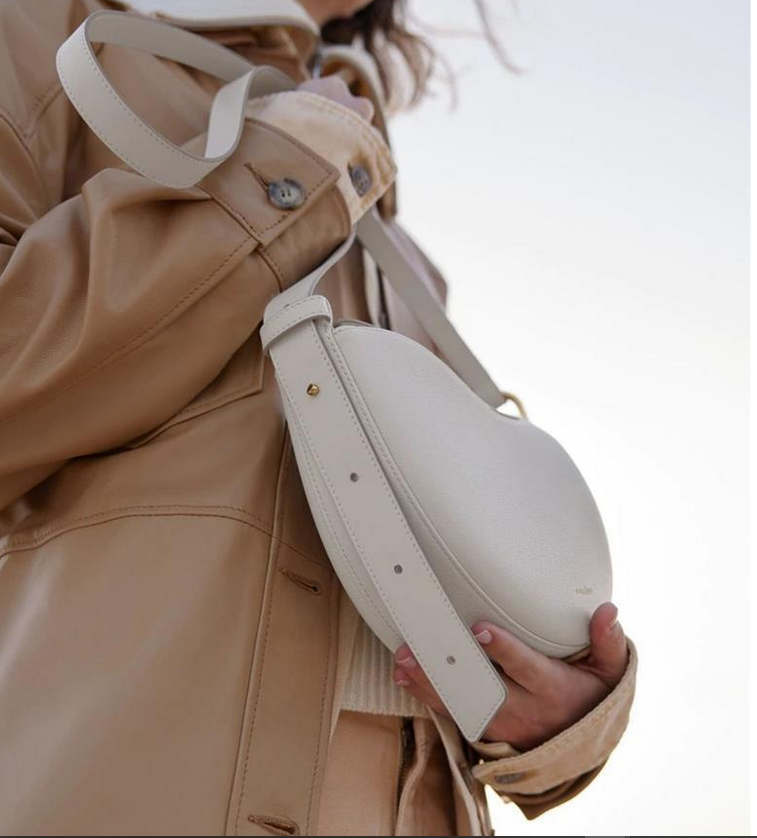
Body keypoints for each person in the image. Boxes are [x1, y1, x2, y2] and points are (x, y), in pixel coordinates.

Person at [0, 0, 638, 834]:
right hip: (130, 787)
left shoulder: (384, 210)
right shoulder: (42, 37)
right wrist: (282, 172)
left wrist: (563, 713)